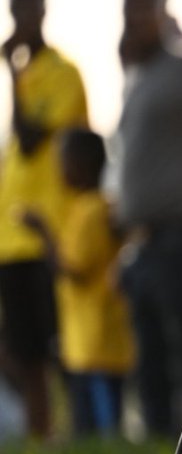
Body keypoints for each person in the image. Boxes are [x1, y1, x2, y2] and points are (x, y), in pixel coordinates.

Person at [115, 0, 182, 438]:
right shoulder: (137, 77)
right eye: (127, 9)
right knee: (150, 359)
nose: (133, 19)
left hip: (180, 234)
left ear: (162, 13)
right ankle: (158, 453)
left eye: (143, 8)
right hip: (141, 242)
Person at [0, 0, 88, 437]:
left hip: (50, 235)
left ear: (43, 9)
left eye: (29, 6)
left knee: (59, 349)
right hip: (12, 243)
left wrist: (11, 73)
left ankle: (79, 438)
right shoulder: (27, 72)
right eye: (15, 7)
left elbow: (32, 138)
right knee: (26, 353)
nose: (22, 16)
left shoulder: (62, 72)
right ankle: (43, 443)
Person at [20, 128, 134, 435]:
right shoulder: (86, 208)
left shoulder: (92, 211)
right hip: (87, 341)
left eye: (63, 160)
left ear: (82, 163)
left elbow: (73, 269)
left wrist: (43, 232)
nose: (59, 168)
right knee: (87, 425)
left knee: (103, 427)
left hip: (97, 341)